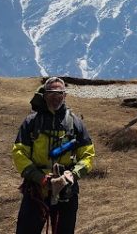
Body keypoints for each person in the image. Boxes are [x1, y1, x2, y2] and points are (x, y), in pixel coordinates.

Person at [12, 77, 94, 234]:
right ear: (44, 95)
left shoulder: (75, 123)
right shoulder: (31, 123)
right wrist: (40, 178)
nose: (55, 98)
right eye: (51, 93)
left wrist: (72, 175)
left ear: (65, 96)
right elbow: (19, 154)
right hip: (36, 190)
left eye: (59, 94)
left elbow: (88, 155)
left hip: (67, 191)